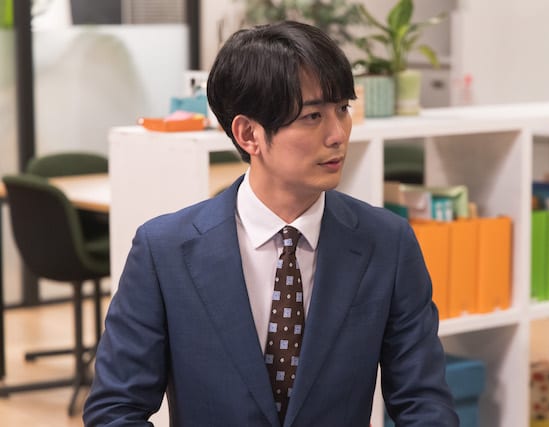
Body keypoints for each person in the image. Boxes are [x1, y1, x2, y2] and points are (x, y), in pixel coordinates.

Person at [83, 20, 459, 427]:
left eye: (343, 110)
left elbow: (425, 405)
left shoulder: (387, 242)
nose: (338, 134)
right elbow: (114, 410)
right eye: (313, 116)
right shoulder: (164, 252)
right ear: (249, 134)